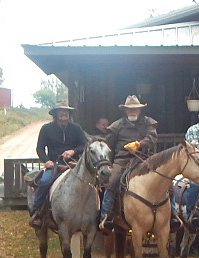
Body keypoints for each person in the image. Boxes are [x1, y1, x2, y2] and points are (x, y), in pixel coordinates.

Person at [100, 95, 158, 232]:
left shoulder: (148, 123)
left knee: (163, 178)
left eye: (135, 109)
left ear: (140, 110)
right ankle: (105, 217)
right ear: (125, 111)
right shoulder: (116, 126)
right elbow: (109, 146)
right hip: (122, 160)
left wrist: (139, 144)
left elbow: (152, 138)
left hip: (144, 158)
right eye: (130, 109)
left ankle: (172, 215)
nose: (133, 112)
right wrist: (110, 163)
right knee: (112, 181)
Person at [30, 101, 87, 228]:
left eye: (66, 111)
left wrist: (73, 151)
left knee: (93, 182)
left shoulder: (76, 128)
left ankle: (96, 215)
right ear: (55, 114)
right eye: (60, 111)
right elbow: (40, 148)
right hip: (54, 164)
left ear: (69, 114)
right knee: (44, 181)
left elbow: (84, 145)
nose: (63, 113)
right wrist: (46, 161)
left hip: (74, 163)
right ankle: (37, 212)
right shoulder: (46, 128)